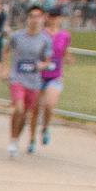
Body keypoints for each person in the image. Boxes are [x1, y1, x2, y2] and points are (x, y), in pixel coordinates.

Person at [5, 7, 51, 156]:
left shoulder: (45, 39)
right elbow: (6, 50)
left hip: (33, 80)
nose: (34, 19)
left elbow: (47, 61)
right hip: (17, 77)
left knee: (24, 113)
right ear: (27, 18)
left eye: (38, 16)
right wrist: (5, 68)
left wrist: (41, 65)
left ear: (42, 19)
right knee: (18, 108)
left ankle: (16, 138)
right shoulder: (17, 36)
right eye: (32, 16)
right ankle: (12, 139)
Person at [38, 9, 69, 146]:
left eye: (56, 17)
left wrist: (68, 59)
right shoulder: (41, 34)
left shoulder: (64, 35)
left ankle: (45, 127)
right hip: (39, 75)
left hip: (55, 75)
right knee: (35, 108)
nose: (54, 19)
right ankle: (32, 138)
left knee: (49, 104)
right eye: (51, 16)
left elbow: (64, 53)